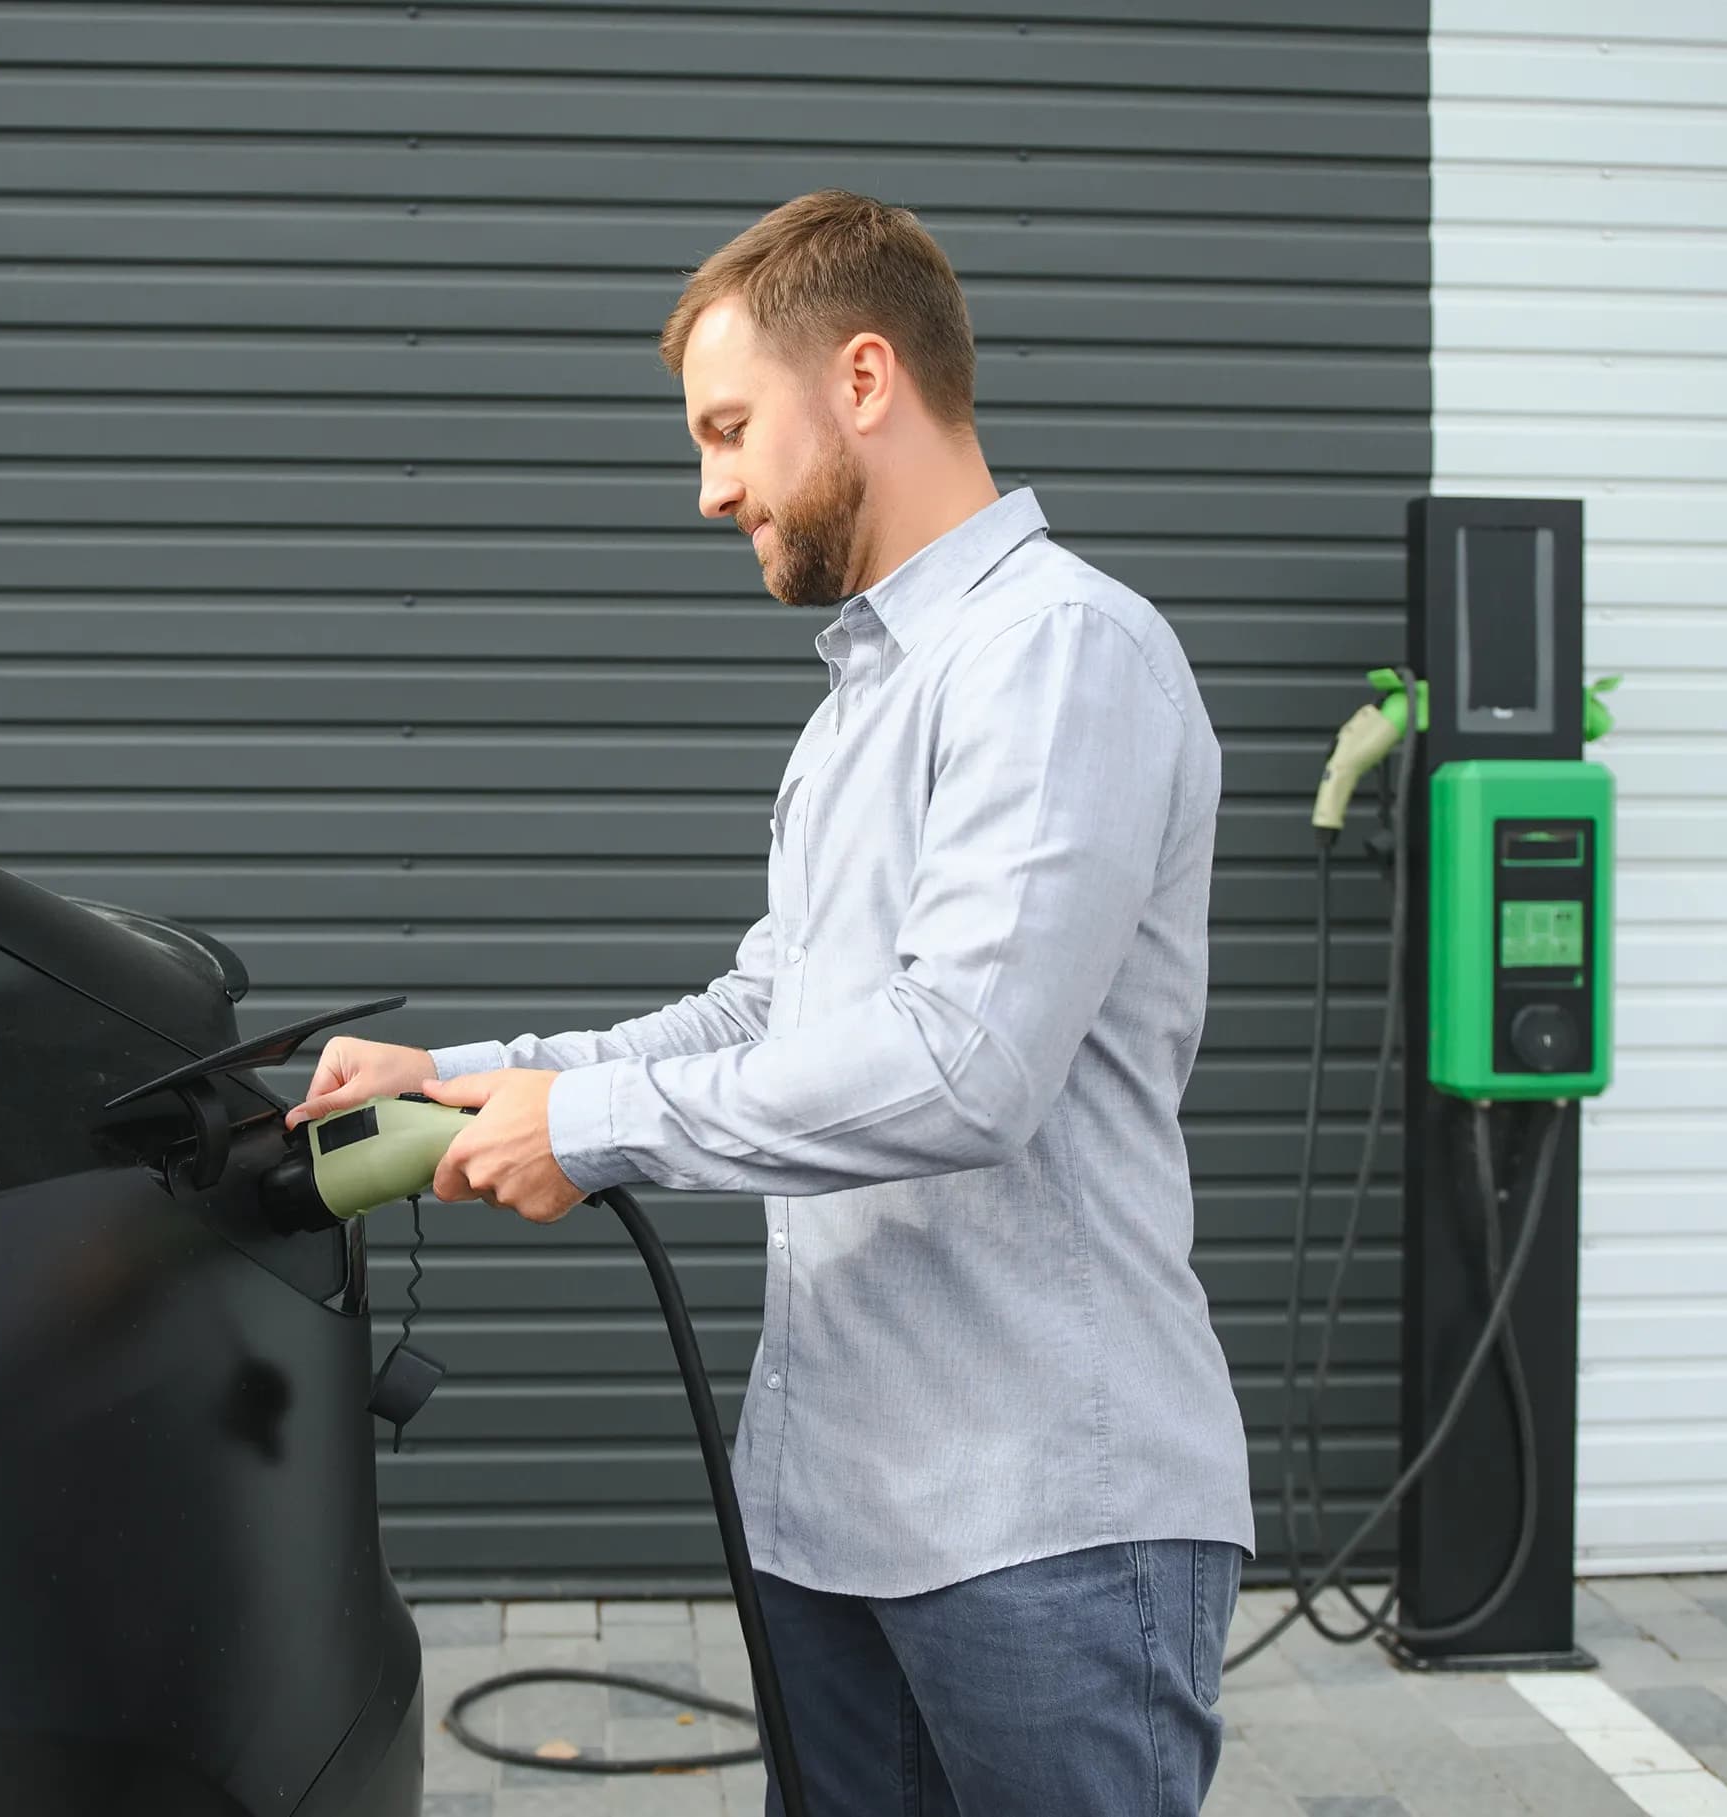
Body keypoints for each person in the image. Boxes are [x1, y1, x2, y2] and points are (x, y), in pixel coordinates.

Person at [288, 190, 1252, 1817]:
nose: (711, 483)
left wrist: (587, 1130)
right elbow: (763, 1017)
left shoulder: (1058, 651)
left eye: (732, 428)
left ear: (864, 378)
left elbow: (968, 1062)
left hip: (1046, 1526)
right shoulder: (861, 705)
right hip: (836, 1515)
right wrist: (457, 1081)